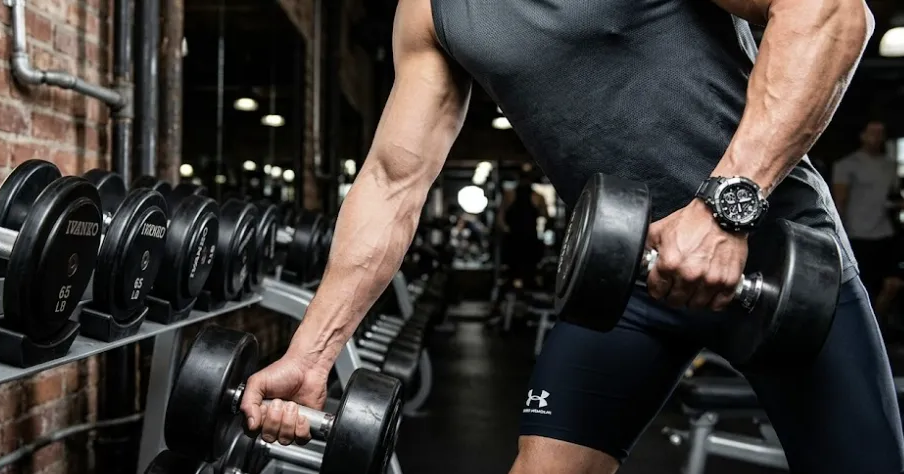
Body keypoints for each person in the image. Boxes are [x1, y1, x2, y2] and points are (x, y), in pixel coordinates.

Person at [241, 0, 903, 473]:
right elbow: (392, 183)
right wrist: (312, 354)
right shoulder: (432, 11)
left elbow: (832, 14)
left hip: (781, 261)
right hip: (628, 282)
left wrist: (723, 211)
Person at [832, 120, 904, 321]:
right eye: (872, 132)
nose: (877, 137)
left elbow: (892, 197)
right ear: (862, 135)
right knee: (863, 287)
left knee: (893, 284)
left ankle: (877, 324)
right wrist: (839, 235)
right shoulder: (847, 165)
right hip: (858, 234)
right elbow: (840, 201)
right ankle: (867, 326)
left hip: (886, 232)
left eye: (881, 133)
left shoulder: (890, 165)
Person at [498, 164, 549, 290]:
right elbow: (500, 217)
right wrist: (506, 230)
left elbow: (546, 217)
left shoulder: (537, 196)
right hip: (515, 238)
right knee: (514, 272)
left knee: (528, 272)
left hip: (528, 238)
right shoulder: (510, 195)